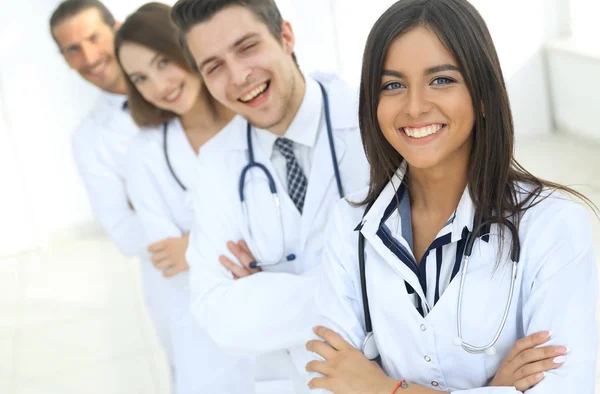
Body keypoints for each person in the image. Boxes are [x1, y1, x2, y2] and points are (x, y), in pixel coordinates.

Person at [305, 0, 598, 393]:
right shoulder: (349, 225)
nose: (414, 106)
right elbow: (330, 384)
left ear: (481, 91)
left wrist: (383, 388)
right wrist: (497, 388)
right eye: (393, 85)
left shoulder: (553, 224)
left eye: (441, 80)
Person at [170, 0, 370, 392]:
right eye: (214, 67)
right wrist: (364, 287)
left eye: (247, 47)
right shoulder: (215, 163)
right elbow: (216, 312)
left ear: (286, 37)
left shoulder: (371, 116)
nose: (239, 76)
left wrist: (260, 291)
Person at [114, 3, 254, 393]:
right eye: (140, 77)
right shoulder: (145, 153)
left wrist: (193, 245)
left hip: (287, 322)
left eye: (162, 62)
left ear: (188, 48)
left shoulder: (256, 117)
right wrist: (255, 246)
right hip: (205, 336)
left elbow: (187, 254)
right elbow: (169, 260)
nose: (158, 86)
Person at [50, 0, 144, 256]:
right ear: (65, 60)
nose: (89, 58)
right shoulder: (88, 139)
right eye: (73, 49)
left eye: (94, 38)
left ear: (118, 30)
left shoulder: (184, 86)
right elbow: (125, 233)